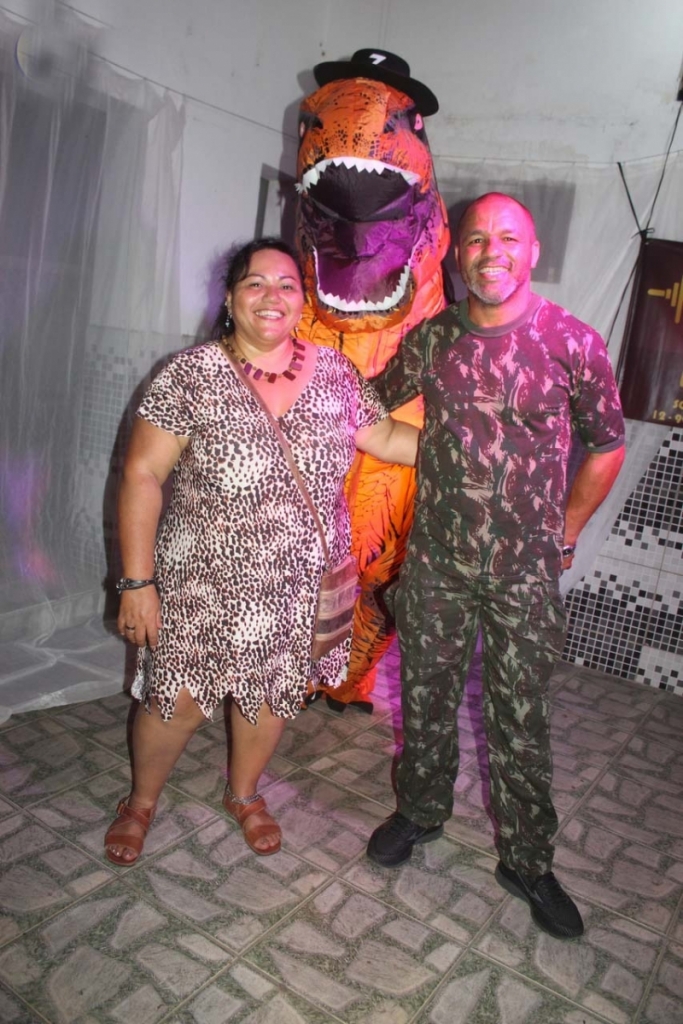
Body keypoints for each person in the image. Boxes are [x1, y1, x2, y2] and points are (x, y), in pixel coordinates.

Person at [105, 237, 419, 865]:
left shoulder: (335, 373)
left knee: (271, 696)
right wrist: (137, 583)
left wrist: (469, 445)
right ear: (230, 299)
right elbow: (141, 475)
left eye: (286, 285)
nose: (271, 296)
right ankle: (140, 802)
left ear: (303, 301)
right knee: (177, 701)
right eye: (255, 283)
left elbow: (385, 437)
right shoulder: (190, 374)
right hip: (200, 582)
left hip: (296, 588)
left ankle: (244, 792)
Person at [366, 193, 625, 940]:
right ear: (459, 256)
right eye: (477, 239)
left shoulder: (571, 342)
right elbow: (368, 408)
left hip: (523, 574)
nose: (491, 252)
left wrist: (565, 530)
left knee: (520, 717)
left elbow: (607, 446)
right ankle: (419, 812)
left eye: (508, 238)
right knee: (426, 699)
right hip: (437, 564)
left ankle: (527, 859)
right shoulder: (433, 338)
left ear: (532, 252)